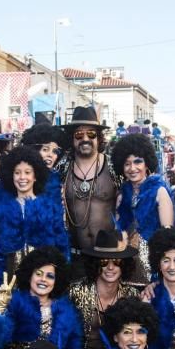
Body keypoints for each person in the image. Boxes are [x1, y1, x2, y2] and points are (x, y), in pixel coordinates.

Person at [0, 246, 84, 349]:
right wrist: (0, 308)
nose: (43, 280)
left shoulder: (66, 310)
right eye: (39, 274)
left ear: (56, 281)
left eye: (50, 276)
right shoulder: (15, 303)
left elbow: (75, 346)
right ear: (29, 276)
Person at [0, 145, 70, 287]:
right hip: (11, 281)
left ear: (35, 175)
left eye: (27, 172)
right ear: (11, 176)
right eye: (17, 173)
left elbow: (62, 246)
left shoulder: (50, 208)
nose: (22, 177)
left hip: (42, 283)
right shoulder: (3, 209)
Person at [57, 106, 120, 257]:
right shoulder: (62, 169)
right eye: (79, 135)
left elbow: (130, 208)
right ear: (72, 139)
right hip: (75, 254)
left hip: (108, 255)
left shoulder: (114, 167)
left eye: (91, 134)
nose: (85, 139)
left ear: (99, 138)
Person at [113, 133, 175, 282]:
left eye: (137, 162)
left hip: (152, 272)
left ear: (147, 164)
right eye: (127, 163)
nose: (132, 168)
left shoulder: (159, 192)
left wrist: (159, 273)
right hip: (126, 269)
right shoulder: (122, 196)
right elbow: (119, 234)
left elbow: (167, 237)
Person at [68, 229, 141, 349]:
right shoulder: (75, 292)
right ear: (95, 264)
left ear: (124, 265)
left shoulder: (132, 296)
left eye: (117, 262)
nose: (110, 267)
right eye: (104, 262)